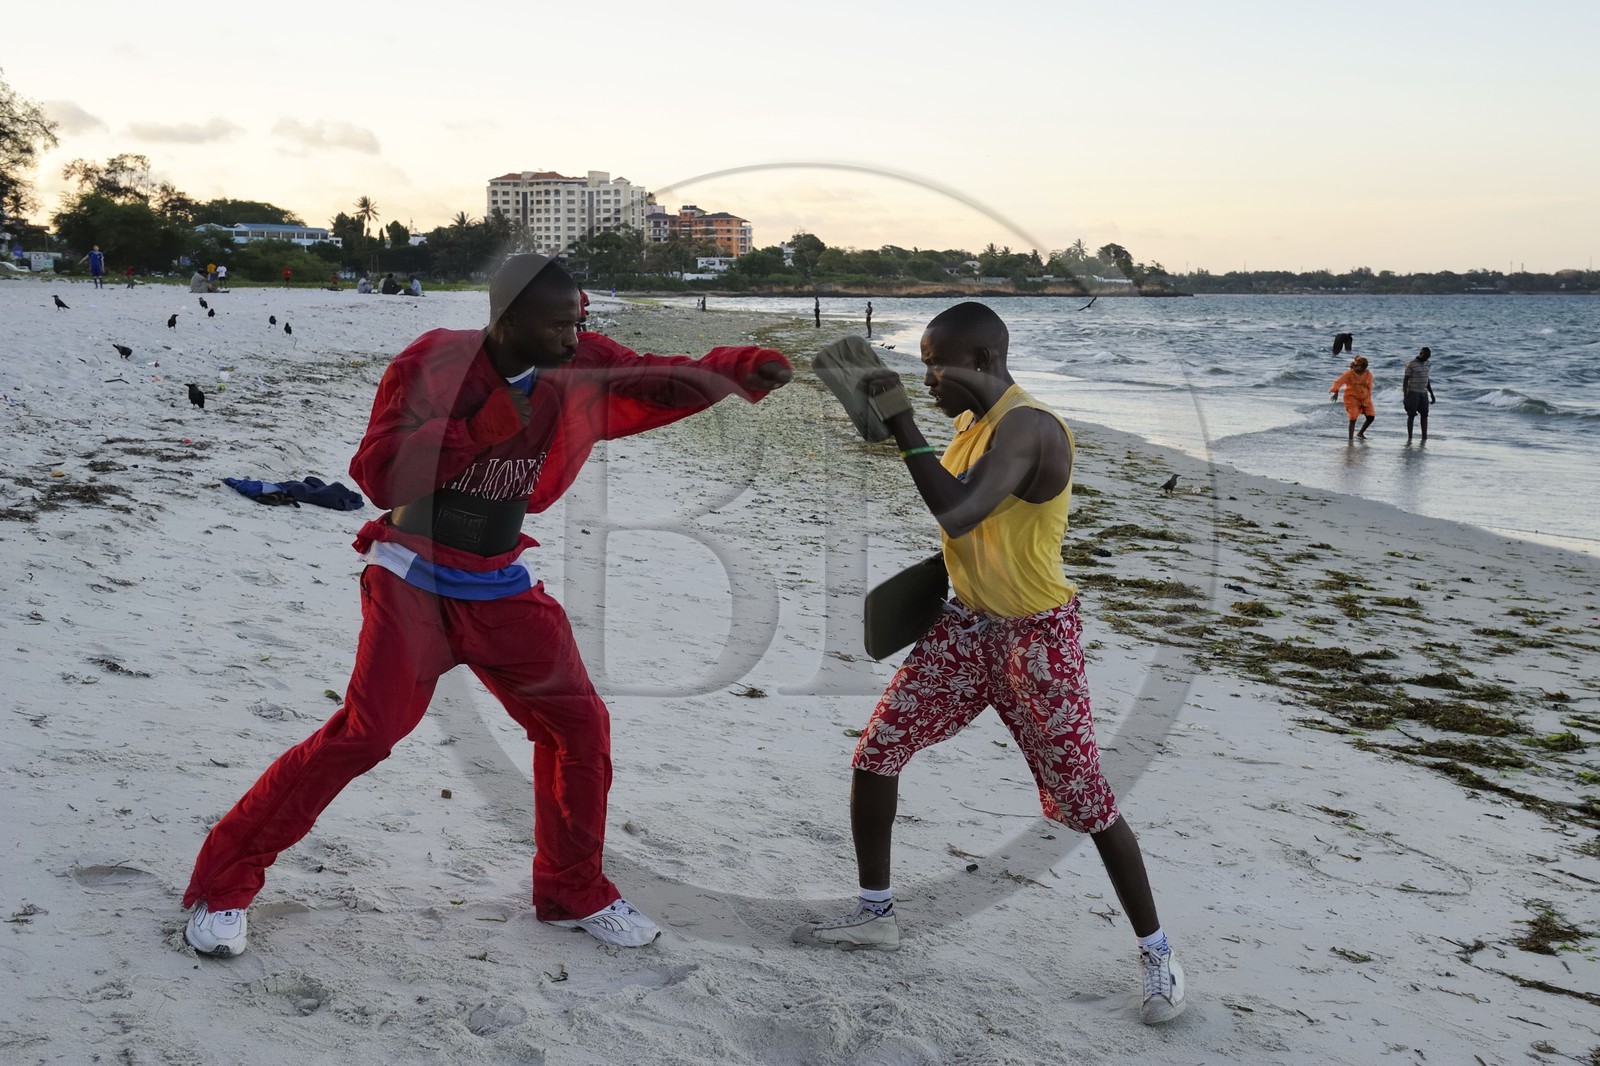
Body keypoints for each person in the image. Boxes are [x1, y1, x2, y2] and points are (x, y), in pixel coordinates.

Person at [179, 254, 793, 958]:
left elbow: (649, 376)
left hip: (500, 582)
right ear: (506, 321)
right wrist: (479, 427)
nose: (574, 336)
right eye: (559, 324)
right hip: (412, 577)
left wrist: (739, 367)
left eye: (579, 321)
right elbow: (376, 475)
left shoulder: (579, 359)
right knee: (367, 734)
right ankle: (220, 886)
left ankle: (570, 891)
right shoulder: (434, 364)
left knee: (578, 729)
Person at [792, 302, 1187, 1026]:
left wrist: (903, 420)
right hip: (964, 628)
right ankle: (875, 911)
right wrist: (882, 416)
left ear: (977, 359)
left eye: (932, 363)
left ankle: (1157, 953)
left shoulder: (1030, 428)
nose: (926, 377)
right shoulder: (970, 428)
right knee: (878, 751)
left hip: (1037, 639)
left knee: (1087, 800)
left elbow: (960, 513)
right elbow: (956, 516)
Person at [1329, 355, 1376, 442]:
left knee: (1371, 417)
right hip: (1351, 398)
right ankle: (1350, 439)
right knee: (1353, 417)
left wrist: (1367, 397)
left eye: (1364, 368)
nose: (1362, 370)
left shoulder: (1368, 373)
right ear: (1356, 366)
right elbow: (1339, 382)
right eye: (1361, 368)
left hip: (1365, 398)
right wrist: (1336, 392)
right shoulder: (1349, 373)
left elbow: (1369, 386)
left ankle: (1360, 433)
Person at [1403, 347, 1437, 443]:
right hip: (1413, 392)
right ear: (1420, 353)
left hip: (1423, 392)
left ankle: (1424, 437)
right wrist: (1405, 396)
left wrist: (1432, 394)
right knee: (1411, 415)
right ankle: (1410, 437)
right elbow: (1405, 380)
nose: (1427, 358)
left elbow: (1427, 379)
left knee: (1425, 414)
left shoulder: (1427, 364)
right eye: (1425, 356)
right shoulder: (1411, 364)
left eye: (1428, 357)